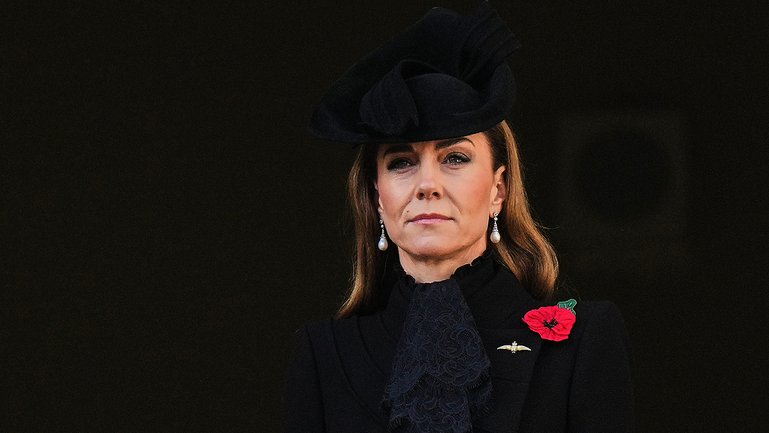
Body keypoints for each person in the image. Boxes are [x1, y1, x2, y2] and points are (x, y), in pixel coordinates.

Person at [284, 4, 633, 432]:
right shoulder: (324, 355)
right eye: (400, 162)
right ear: (377, 197)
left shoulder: (581, 343)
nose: (427, 184)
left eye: (454, 157)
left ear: (498, 190)